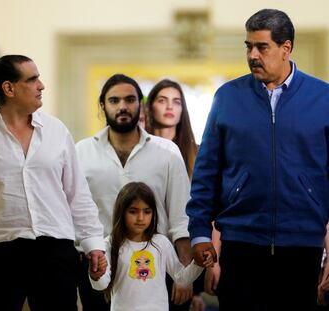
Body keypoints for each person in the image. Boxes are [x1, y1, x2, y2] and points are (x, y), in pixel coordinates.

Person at [187, 8, 329, 310]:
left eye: (262, 47)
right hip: (240, 244)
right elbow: (206, 171)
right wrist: (200, 232)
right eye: (248, 46)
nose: (253, 54)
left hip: (302, 247)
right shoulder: (227, 97)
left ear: (286, 48)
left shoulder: (323, 99)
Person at [0, 55, 106, 311]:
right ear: (9, 88)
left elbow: (78, 194)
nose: (41, 85)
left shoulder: (56, 131)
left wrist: (94, 243)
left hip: (55, 251)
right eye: (32, 79)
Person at [76, 73, 193, 310]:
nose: (122, 106)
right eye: (114, 100)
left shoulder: (167, 152)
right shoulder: (81, 152)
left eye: (130, 99)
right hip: (99, 264)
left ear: (141, 105)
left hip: (157, 268)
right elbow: (75, 213)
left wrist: (184, 275)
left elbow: (182, 218)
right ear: (102, 105)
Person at [89, 182, 213, 311]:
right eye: (133, 211)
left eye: (147, 212)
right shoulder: (110, 243)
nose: (141, 218)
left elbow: (181, 279)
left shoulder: (161, 242)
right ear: (122, 211)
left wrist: (199, 262)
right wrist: (97, 274)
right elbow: (101, 285)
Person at [146, 79, 212, 311]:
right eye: (162, 100)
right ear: (149, 107)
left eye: (176, 101)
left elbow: (208, 207)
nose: (169, 107)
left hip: (188, 248)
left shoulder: (197, 153)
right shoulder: (139, 151)